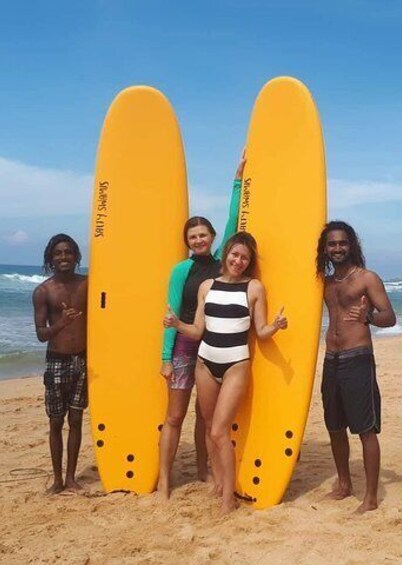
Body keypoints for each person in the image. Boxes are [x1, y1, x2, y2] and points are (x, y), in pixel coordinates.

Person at [164, 232, 287, 515]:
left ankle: (228, 497)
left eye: (244, 257)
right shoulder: (207, 286)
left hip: (235, 365)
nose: (238, 261)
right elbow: (197, 330)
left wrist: (277, 325)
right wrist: (176, 324)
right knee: (209, 427)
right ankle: (219, 481)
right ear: (227, 253)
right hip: (205, 362)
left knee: (220, 430)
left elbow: (262, 332)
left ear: (249, 261)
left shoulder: (254, 287)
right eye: (235, 254)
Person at [156, 151, 245, 501]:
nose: (198, 240)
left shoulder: (224, 261)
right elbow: (171, 313)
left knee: (205, 416)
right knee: (174, 415)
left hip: (214, 346)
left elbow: (233, 221)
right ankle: (164, 480)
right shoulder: (181, 271)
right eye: (192, 237)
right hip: (184, 345)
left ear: (211, 237)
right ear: (187, 242)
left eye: (203, 234)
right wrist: (166, 356)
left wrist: (237, 180)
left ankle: (202, 470)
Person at [316, 221, 396, 513]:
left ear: (352, 245)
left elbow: (390, 317)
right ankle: (344, 484)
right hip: (331, 359)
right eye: (332, 244)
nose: (337, 248)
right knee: (334, 426)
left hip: (357, 358)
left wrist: (369, 316)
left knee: (365, 429)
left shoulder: (366, 278)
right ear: (325, 249)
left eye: (342, 243)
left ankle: (371, 498)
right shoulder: (324, 283)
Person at [32, 234, 88, 494]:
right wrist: (63, 323)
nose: (63, 257)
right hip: (57, 360)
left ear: (76, 256)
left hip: (83, 359)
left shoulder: (88, 284)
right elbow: (41, 334)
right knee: (56, 421)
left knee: (76, 419)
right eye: (58, 253)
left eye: (68, 252)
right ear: (50, 258)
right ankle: (57, 480)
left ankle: (72, 477)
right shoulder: (43, 291)